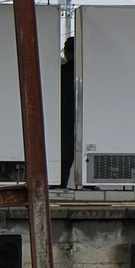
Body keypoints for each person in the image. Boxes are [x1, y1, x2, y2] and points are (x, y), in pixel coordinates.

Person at [59, 37, 75, 189]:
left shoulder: (61, 73)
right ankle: (89, 185)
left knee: (65, 158)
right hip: (87, 121)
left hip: (65, 121)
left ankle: (61, 183)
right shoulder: (91, 73)